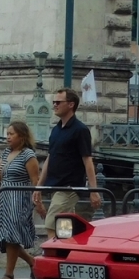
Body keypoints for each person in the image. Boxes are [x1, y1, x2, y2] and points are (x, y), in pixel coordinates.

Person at [32, 87, 101, 233]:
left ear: (71, 104)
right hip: (56, 185)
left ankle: (52, 254)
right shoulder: (56, 130)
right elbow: (50, 158)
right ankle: (70, 254)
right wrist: (39, 187)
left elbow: (87, 160)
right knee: (65, 228)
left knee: (51, 224)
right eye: (54, 102)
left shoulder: (80, 130)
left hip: (69, 187)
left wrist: (93, 190)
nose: (54, 105)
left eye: (58, 102)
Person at [0, 121, 42, 279]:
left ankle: (9, 275)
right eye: (7, 134)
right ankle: (32, 262)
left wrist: (38, 202)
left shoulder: (28, 155)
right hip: (4, 198)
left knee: (12, 236)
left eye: (11, 134)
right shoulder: (5, 153)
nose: (8, 137)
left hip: (19, 199)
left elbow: (35, 180)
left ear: (21, 136)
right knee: (7, 236)